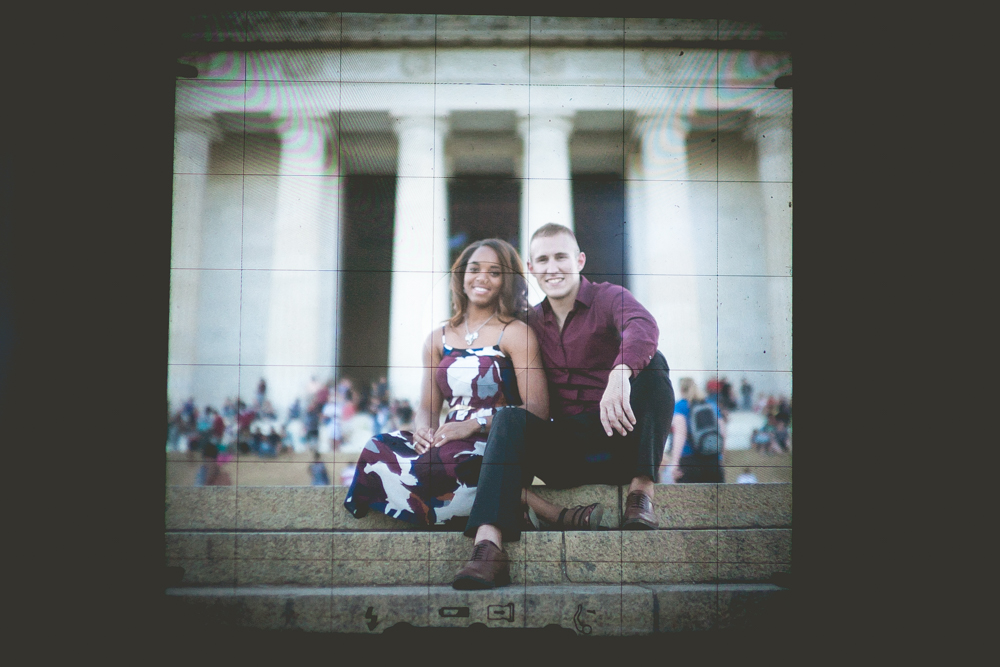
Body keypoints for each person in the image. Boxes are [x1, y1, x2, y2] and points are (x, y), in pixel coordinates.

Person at [454, 223, 675, 589]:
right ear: (532, 267)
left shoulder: (607, 297)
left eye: (561, 256)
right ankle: (488, 548)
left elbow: (642, 325)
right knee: (510, 419)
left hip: (619, 438)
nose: (552, 267)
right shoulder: (529, 323)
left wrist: (619, 374)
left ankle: (641, 492)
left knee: (654, 363)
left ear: (580, 260)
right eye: (543, 259)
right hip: (566, 452)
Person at [344, 239, 549, 552]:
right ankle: (516, 501)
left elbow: (537, 407)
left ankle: (499, 501)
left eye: (494, 272)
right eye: (474, 269)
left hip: (496, 441)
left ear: (506, 282)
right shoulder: (437, 339)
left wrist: (473, 425)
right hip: (447, 439)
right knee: (378, 447)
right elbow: (427, 406)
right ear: (461, 275)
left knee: (456, 463)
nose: (481, 277)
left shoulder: (516, 332)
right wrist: (423, 431)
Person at [665, 377, 725, 483]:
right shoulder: (711, 405)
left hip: (688, 460)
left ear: (681, 389)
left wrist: (674, 463)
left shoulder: (680, 406)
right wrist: (720, 458)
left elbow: (680, 434)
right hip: (713, 459)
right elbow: (723, 433)